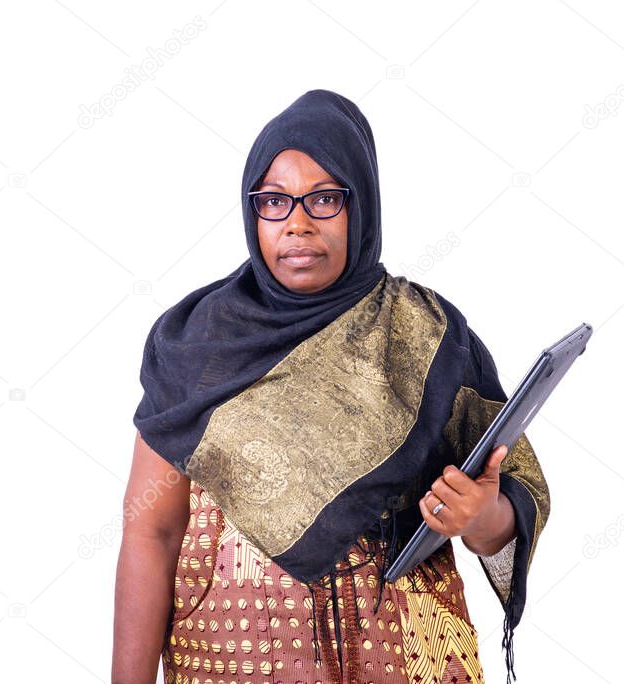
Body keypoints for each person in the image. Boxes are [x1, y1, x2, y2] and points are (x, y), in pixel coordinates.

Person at [112, 89, 550, 684]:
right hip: (233, 654)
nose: (296, 223)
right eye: (274, 201)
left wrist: (479, 514)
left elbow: (507, 504)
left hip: (401, 651)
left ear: (361, 204)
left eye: (323, 199)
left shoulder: (427, 334)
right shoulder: (199, 342)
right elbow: (152, 529)